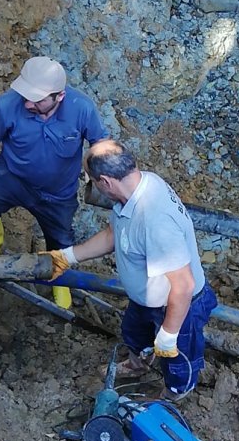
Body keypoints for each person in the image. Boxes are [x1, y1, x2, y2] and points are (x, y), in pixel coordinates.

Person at [46, 139, 217, 397]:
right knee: (134, 334)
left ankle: (176, 391)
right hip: (148, 298)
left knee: (179, 359)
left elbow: (184, 285)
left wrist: (169, 333)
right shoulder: (133, 191)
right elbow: (112, 234)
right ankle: (138, 365)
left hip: (178, 306)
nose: (93, 187)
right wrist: (66, 257)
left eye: (92, 181)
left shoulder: (155, 219)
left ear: (105, 182)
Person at [0, 56, 108, 308]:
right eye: (26, 96)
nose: (28, 103)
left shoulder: (81, 108)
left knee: (60, 240)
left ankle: (59, 279)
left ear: (58, 97)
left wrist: (99, 171)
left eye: (37, 99)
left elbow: (100, 142)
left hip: (57, 193)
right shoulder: (9, 104)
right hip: (11, 177)